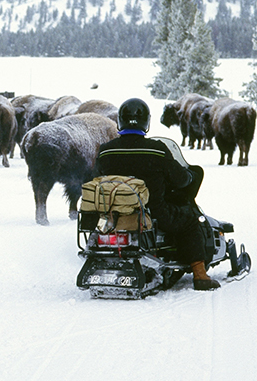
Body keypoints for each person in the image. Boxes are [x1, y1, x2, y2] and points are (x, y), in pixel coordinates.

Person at [95, 97, 222, 290]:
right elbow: (180, 179)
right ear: (146, 121)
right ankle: (200, 275)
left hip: (112, 214)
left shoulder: (105, 151)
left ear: (120, 121)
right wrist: (188, 177)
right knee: (189, 221)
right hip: (155, 213)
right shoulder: (157, 150)